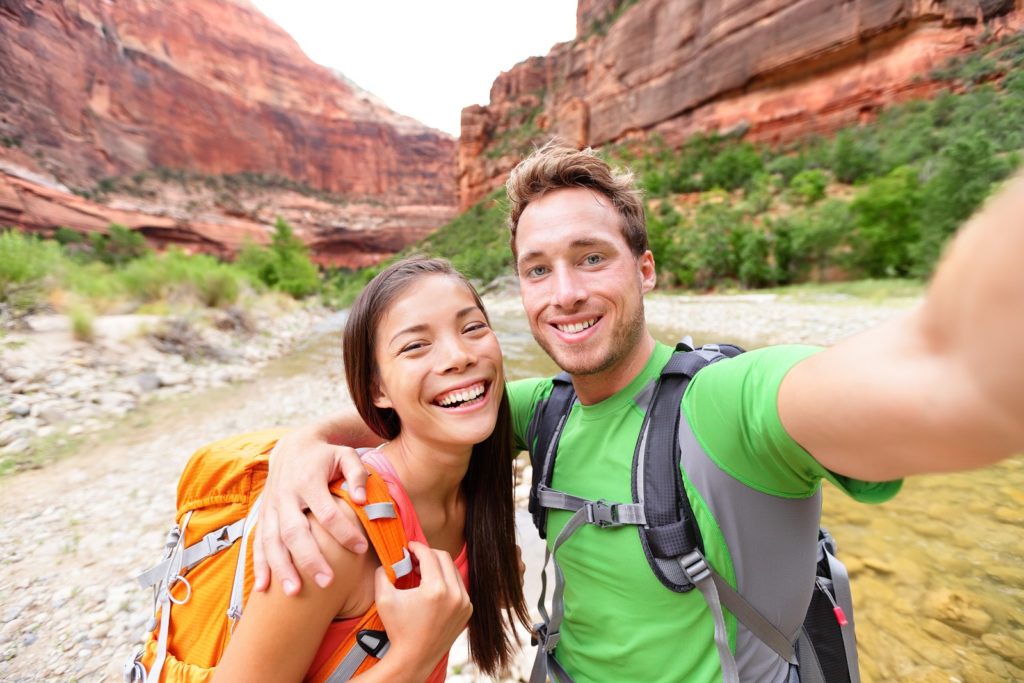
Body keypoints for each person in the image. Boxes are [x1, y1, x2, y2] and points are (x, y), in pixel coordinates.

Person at [251, 145, 1024, 682]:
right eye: (537, 270)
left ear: (645, 267)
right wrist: (301, 446)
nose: (565, 294)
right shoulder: (539, 408)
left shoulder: (728, 404)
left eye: (592, 257)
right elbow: (415, 415)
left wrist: (975, 360)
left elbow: (934, 377)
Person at [212, 257, 528, 681]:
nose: (459, 356)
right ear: (378, 389)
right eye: (415, 345)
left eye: (472, 328)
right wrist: (413, 656)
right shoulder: (335, 533)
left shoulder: (472, 489)